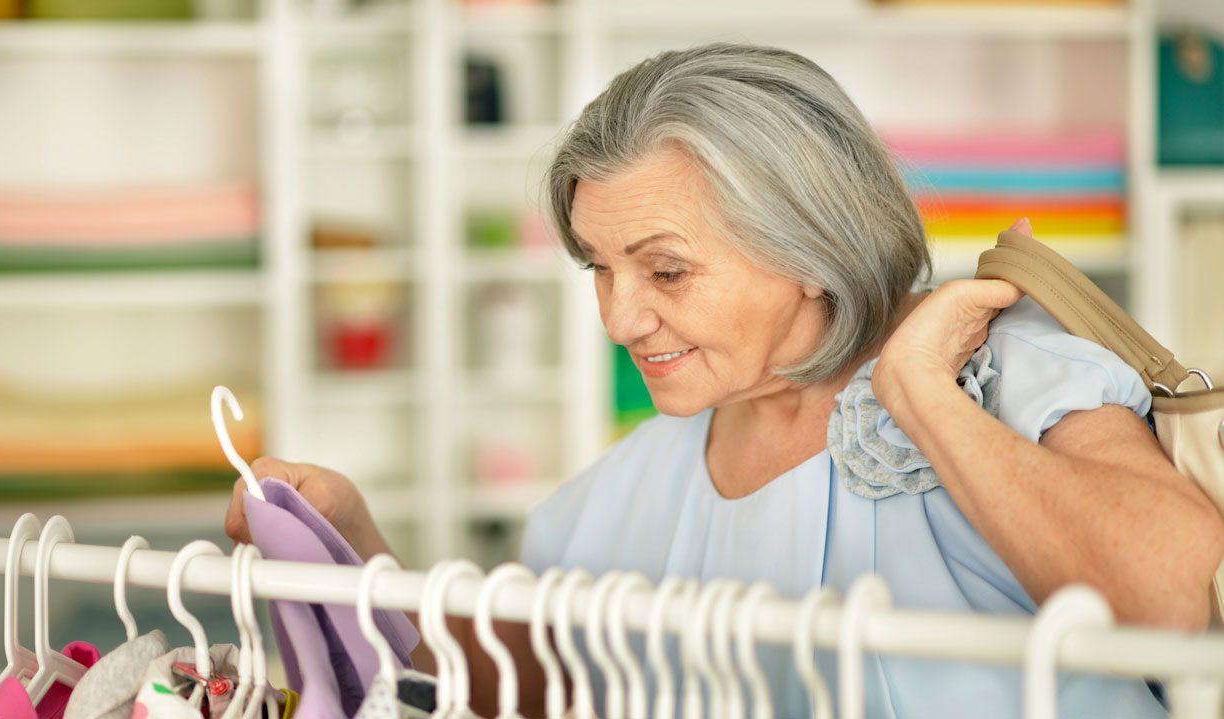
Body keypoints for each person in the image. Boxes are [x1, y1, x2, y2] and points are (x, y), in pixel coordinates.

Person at [225, 43, 1223, 717]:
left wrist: (919, 390)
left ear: (811, 245)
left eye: (665, 270)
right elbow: (531, 682)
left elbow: (1175, 597)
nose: (620, 318)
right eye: (599, 270)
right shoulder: (619, 491)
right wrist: (353, 544)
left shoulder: (1015, 378)